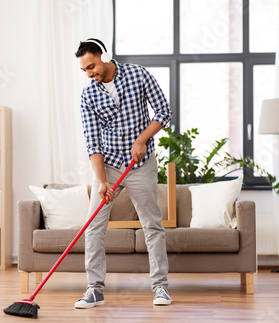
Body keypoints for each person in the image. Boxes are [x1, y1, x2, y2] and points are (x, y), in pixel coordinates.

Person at [74, 38, 173, 309]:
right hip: (109, 166)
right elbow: (93, 142)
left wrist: (141, 140)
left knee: (151, 224)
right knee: (93, 226)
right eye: (84, 70)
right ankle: (94, 289)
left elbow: (164, 112)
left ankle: (160, 287)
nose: (89, 74)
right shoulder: (88, 95)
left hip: (141, 165)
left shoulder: (138, 74)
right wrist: (103, 182)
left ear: (103, 56)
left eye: (91, 66)